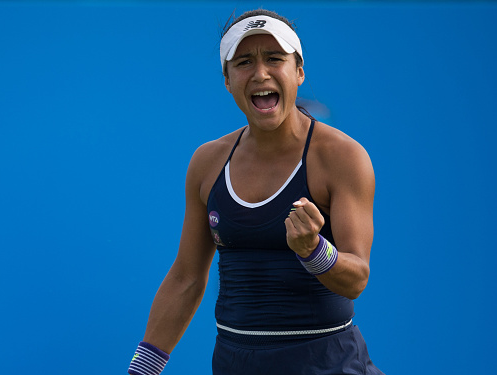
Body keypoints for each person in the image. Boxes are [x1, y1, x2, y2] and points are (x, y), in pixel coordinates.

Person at [128, 9, 383, 375]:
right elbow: (186, 278)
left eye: (274, 59)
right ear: (228, 81)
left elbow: (357, 278)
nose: (260, 73)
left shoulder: (343, 158)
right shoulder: (207, 162)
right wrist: (143, 370)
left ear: (299, 72)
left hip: (329, 365)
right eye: (244, 62)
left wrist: (314, 251)